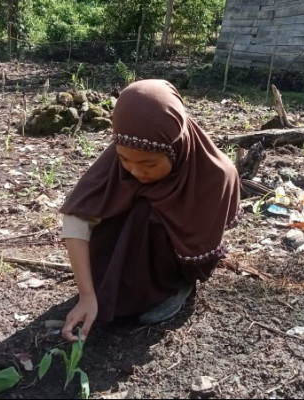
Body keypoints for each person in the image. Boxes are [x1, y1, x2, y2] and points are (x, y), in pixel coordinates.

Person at [60, 79, 241, 342]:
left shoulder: (214, 175)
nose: (135, 171)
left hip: (173, 262)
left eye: (148, 164)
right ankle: (109, 288)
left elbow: (203, 241)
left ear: (174, 147)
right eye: (124, 159)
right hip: (121, 261)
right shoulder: (127, 152)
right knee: (119, 204)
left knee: (147, 212)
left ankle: (172, 290)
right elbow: (77, 218)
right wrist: (86, 295)